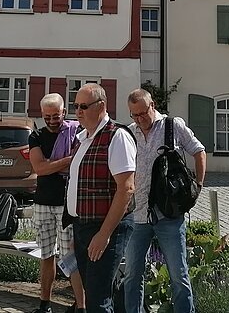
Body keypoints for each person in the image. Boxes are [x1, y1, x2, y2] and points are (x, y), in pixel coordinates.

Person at [123, 89, 206, 313]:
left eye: (143, 113)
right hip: (138, 213)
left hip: (169, 213)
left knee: (178, 274)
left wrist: (197, 187)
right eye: (134, 115)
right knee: (132, 274)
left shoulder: (172, 126)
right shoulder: (130, 133)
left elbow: (199, 151)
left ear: (153, 106)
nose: (140, 119)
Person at [67, 83, 136, 313]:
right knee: (96, 291)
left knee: (97, 300)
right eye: (76, 106)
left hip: (106, 227)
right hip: (83, 227)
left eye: (84, 106)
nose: (78, 111)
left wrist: (104, 234)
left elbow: (126, 189)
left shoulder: (117, 136)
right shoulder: (82, 138)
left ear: (102, 106)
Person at [27, 94, 85, 313]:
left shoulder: (76, 131)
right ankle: (44, 304)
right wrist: (68, 160)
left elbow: (77, 164)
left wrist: (53, 164)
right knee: (46, 255)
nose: (52, 120)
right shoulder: (36, 136)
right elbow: (39, 168)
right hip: (42, 202)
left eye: (56, 116)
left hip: (66, 204)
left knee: (71, 256)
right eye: (47, 116)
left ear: (63, 112)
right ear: (42, 115)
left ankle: (81, 306)